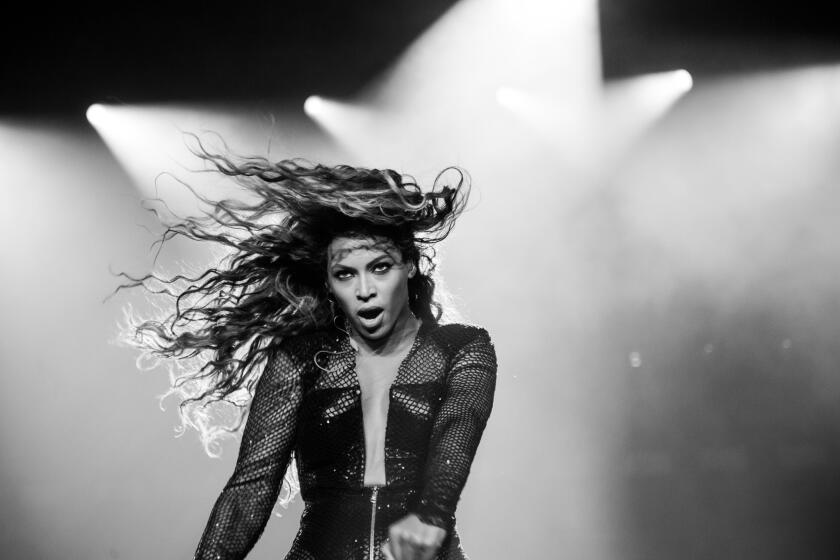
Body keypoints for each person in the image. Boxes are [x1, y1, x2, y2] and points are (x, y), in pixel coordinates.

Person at [121, 140, 497, 560]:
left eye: (379, 267)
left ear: (409, 264)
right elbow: (252, 485)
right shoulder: (299, 360)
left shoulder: (462, 348)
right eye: (345, 274)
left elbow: (456, 433)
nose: (365, 290)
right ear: (329, 282)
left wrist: (431, 515)